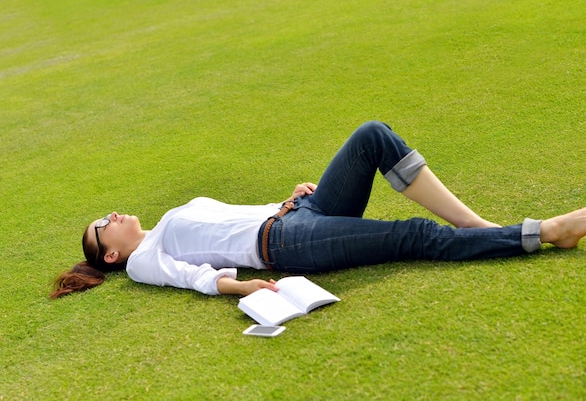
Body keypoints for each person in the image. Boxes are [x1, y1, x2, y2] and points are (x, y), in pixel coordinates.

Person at [50, 121, 586, 299]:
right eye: (103, 225)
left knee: (371, 136)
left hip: (292, 217)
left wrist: (288, 197)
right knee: (412, 236)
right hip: (285, 246)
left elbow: (239, 214)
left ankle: (479, 227)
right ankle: (549, 232)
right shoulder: (144, 260)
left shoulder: (171, 214)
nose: (112, 215)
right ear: (111, 254)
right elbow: (192, 278)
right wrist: (241, 287)